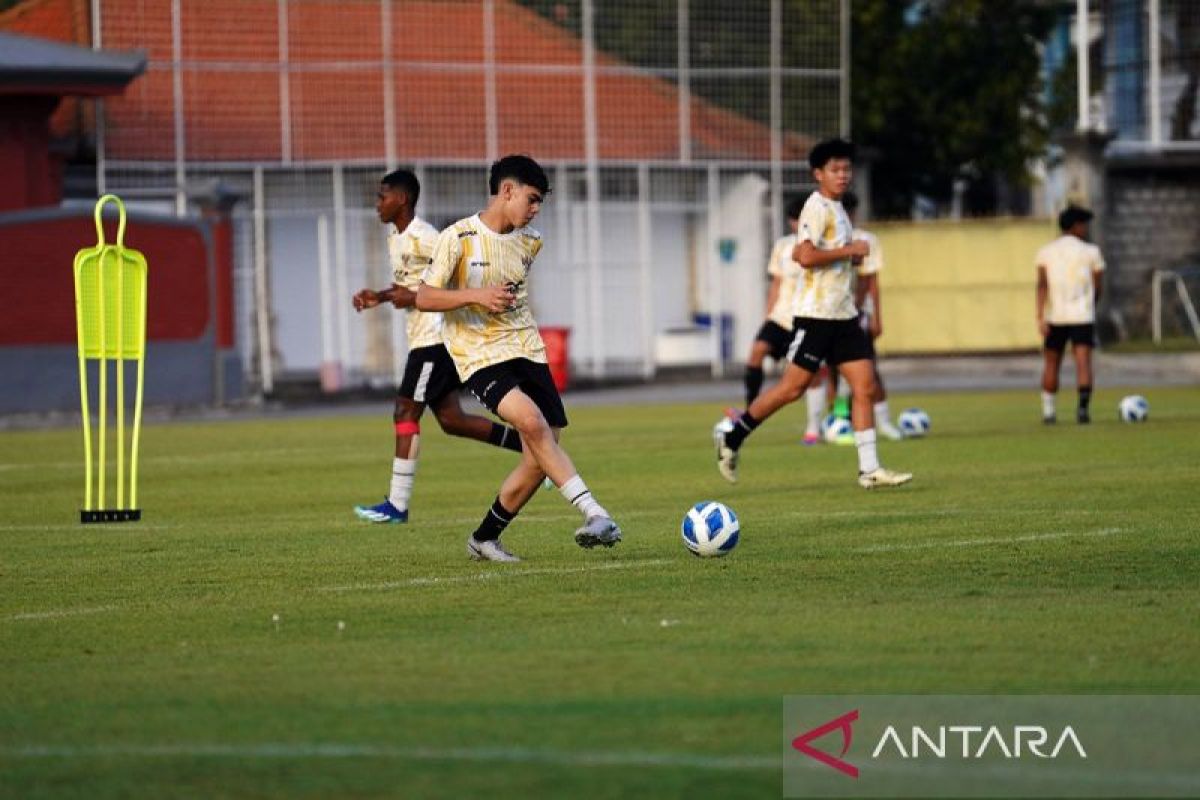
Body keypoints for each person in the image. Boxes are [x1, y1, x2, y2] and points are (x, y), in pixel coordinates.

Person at [416, 155, 621, 562]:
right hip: (478, 354)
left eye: (540, 202)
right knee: (531, 423)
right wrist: (476, 295)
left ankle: (484, 538)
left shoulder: (531, 242)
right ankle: (595, 513)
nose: (536, 209)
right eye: (531, 198)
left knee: (540, 456)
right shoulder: (457, 238)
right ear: (506, 191)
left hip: (527, 348)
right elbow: (424, 297)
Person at [712, 139, 912, 489]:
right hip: (815, 316)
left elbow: (828, 257)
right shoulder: (816, 208)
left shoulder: (837, 210)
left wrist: (848, 255)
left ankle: (870, 469)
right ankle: (733, 437)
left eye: (847, 169)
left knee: (864, 385)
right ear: (818, 174)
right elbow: (803, 256)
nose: (843, 175)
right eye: (835, 170)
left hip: (844, 315)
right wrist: (849, 250)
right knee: (791, 390)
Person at [352, 169, 524, 525]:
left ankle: (397, 506)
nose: (377, 205)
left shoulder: (428, 237)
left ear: (401, 199)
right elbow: (411, 286)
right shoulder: (396, 239)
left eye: (382, 197)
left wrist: (415, 296)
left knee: (404, 412)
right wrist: (381, 296)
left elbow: (459, 272)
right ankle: (533, 449)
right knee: (451, 420)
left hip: (436, 339)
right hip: (422, 339)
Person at [734, 197, 826, 446]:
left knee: (810, 376)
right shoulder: (782, 246)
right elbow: (776, 283)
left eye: (801, 219)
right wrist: (768, 314)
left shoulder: (820, 245)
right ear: (790, 222)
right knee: (756, 352)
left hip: (804, 317)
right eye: (794, 220)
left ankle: (813, 427)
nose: (797, 224)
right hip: (780, 317)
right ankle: (750, 410)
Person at [829, 190, 903, 441]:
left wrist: (875, 316)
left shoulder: (864, 240)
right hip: (828, 314)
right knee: (832, 372)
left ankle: (883, 420)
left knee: (868, 368)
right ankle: (838, 419)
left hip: (855, 315)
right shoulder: (827, 238)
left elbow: (870, 282)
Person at [1035, 205, 1105, 424]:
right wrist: (1091, 305)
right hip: (1082, 315)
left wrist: (1039, 316)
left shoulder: (1046, 251)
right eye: (1083, 224)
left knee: (1051, 362)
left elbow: (1042, 285)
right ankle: (1082, 410)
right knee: (1083, 361)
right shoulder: (1091, 252)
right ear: (1075, 226)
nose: (1085, 229)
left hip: (1055, 316)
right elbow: (1098, 286)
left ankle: (1049, 412)